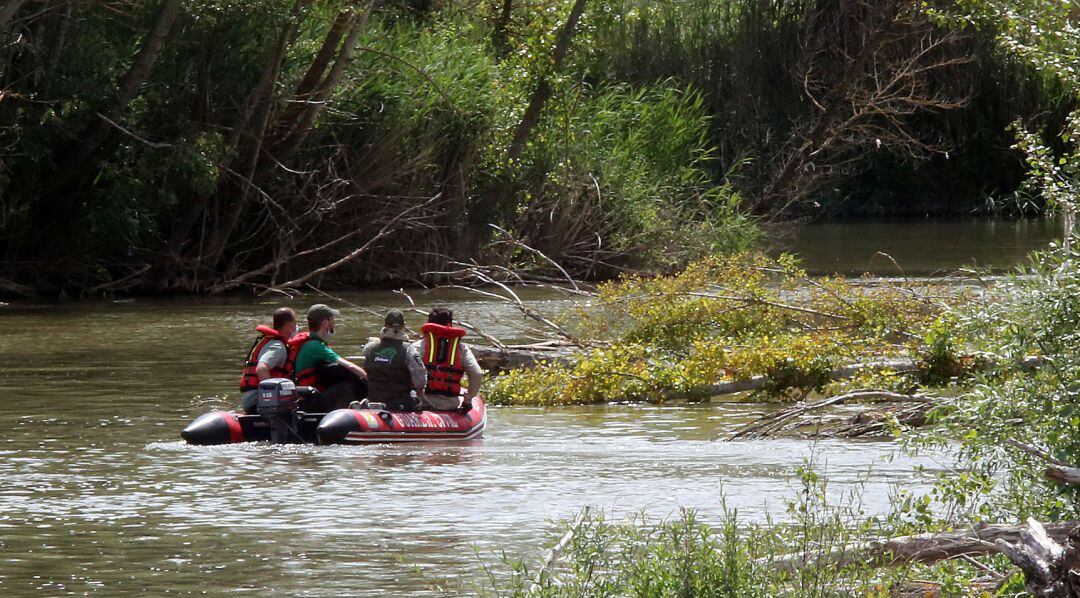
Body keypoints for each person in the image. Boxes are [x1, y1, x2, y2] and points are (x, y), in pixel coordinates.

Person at [286, 304, 367, 411]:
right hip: (309, 401)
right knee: (346, 387)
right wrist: (370, 380)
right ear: (325, 323)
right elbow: (350, 367)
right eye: (332, 319)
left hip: (307, 397)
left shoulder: (308, 342)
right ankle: (341, 420)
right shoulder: (316, 346)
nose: (334, 323)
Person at [413, 306, 483, 412]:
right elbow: (477, 373)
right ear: (450, 324)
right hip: (449, 404)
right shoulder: (461, 348)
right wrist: (468, 398)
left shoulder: (417, 346)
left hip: (420, 403)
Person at [360, 309, 427, 411]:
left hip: (374, 399)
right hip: (399, 402)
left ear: (385, 325)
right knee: (415, 397)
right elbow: (420, 380)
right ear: (403, 326)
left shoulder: (369, 348)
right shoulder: (409, 349)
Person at [238, 307, 297, 414]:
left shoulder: (270, 341)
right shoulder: (278, 346)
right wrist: (272, 398)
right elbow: (261, 369)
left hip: (250, 399)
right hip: (257, 401)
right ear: (290, 326)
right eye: (295, 323)